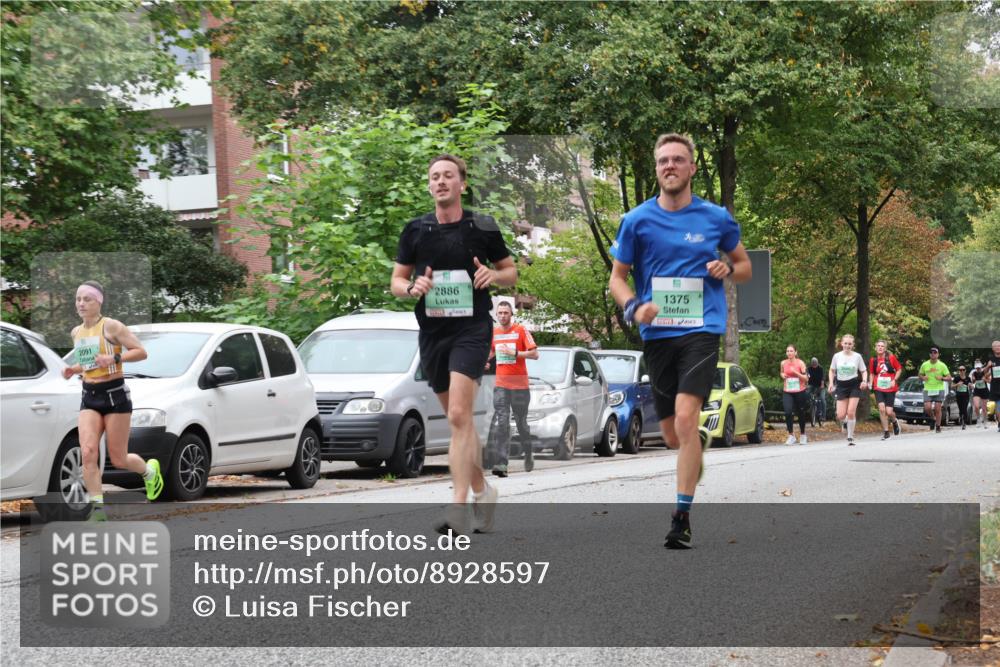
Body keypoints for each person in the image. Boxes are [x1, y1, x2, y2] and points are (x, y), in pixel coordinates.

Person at [609, 132, 751, 550]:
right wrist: (634, 306)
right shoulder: (637, 220)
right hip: (657, 333)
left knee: (688, 421)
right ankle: (692, 445)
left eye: (677, 160)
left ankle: (681, 517)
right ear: (657, 169)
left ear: (690, 168)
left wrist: (727, 268)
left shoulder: (715, 218)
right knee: (673, 435)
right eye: (662, 161)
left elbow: (744, 266)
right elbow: (617, 278)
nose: (669, 166)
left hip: (701, 329)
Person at [390, 154, 517, 535]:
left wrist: (492, 276)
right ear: (429, 186)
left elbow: (510, 272)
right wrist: (413, 287)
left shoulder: (482, 227)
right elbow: (397, 282)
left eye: (448, 176)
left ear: (462, 184)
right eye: (434, 177)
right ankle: (483, 490)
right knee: (458, 422)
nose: (441, 181)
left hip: (472, 331)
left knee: (461, 415)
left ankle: (458, 509)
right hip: (433, 334)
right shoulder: (415, 230)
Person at [61, 281, 161, 520]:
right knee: (87, 452)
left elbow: (140, 351)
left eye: (87, 299)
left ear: (99, 302)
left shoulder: (112, 327)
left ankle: (149, 472)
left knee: (118, 458)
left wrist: (114, 358)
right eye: (78, 299)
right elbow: (90, 363)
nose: (82, 304)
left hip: (115, 396)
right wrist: (73, 369)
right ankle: (97, 512)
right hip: (89, 396)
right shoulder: (77, 332)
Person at [486, 301, 538, 477]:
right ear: (497, 315)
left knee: (521, 424)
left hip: (520, 386)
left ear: (511, 314)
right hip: (501, 385)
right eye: (500, 313)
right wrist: (484, 362)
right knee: (502, 423)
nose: (502, 316)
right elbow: (491, 352)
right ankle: (501, 464)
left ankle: (528, 453)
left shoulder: (520, 330)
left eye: (505, 313)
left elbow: (535, 354)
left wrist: (516, 354)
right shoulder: (494, 333)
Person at [828, 334, 868, 445]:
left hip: (854, 385)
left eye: (850, 344)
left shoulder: (857, 356)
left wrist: (864, 381)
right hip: (841, 386)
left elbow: (864, 371)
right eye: (845, 343)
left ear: (853, 345)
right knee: (840, 415)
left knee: (851, 412)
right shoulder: (837, 356)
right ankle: (845, 421)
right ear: (841, 344)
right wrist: (831, 383)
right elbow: (831, 370)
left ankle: (850, 437)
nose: (847, 345)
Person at [869, 340, 903, 440]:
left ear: (885, 348)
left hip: (890, 387)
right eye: (878, 346)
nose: (880, 347)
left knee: (889, 412)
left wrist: (894, 380)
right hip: (878, 387)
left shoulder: (891, 358)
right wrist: (870, 383)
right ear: (875, 348)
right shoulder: (873, 360)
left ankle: (894, 421)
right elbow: (871, 373)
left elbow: (899, 369)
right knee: (881, 409)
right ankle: (886, 432)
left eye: (882, 346)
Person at [780, 345, 809, 444]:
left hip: (800, 391)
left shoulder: (800, 363)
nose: (789, 353)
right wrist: (782, 375)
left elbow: (806, 378)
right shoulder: (783, 363)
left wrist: (796, 373)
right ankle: (791, 435)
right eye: (787, 351)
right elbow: (782, 373)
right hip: (787, 391)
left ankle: (803, 434)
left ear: (795, 352)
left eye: (791, 351)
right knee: (788, 412)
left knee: (801, 413)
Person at [918, 347, 952, 433]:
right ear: (929, 354)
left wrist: (942, 378)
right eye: (931, 353)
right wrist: (923, 377)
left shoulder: (942, 365)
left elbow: (949, 378)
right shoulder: (925, 364)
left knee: (937, 408)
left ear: (937, 354)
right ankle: (933, 418)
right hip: (928, 389)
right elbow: (920, 375)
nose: (933, 354)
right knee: (927, 408)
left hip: (939, 389)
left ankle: (938, 426)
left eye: (935, 353)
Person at [807, 357, 826, 427]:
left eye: (815, 365)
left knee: (822, 399)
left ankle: (823, 416)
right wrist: (806, 384)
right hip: (812, 385)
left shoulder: (821, 368)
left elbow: (823, 378)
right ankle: (810, 407)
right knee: (806, 393)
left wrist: (822, 385)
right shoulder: (809, 369)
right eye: (813, 365)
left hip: (820, 386)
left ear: (817, 364)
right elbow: (807, 377)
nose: (814, 367)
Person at [952, 365, 972, 430]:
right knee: (961, 409)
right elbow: (951, 386)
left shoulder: (968, 378)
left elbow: (972, 387)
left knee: (964, 409)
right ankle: (961, 417)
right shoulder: (956, 378)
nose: (962, 371)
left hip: (966, 396)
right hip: (959, 396)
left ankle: (964, 423)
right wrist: (957, 384)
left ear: (965, 370)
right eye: (960, 370)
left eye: (963, 370)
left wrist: (970, 385)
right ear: (959, 371)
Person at [972, 360, 990, 429]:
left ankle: (985, 421)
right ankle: (978, 419)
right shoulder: (974, 373)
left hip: (984, 391)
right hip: (977, 391)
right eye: (977, 368)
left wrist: (985, 379)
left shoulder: (984, 373)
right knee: (976, 406)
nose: (978, 369)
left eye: (979, 368)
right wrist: (973, 380)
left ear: (981, 367)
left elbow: (990, 381)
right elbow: (972, 381)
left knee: (984, 408)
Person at [986, 341, 1000, 433]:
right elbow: (985, 374)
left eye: (999, 346)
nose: (998, 347)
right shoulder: (991, 360)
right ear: (993, 348)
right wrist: (988, 367)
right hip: (995, 387)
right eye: (996, 346)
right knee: (998, 407)